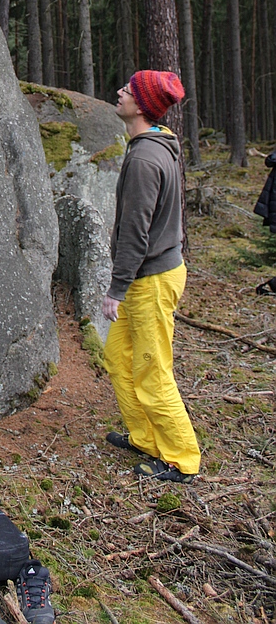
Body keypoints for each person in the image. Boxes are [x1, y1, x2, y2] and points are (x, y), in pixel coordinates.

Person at [102, 69, 201, 483]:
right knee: (117, 357)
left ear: (141, 106)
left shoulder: (145, 158)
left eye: (128, 89)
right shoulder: (153, 144)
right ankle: (145, 437)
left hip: (149, 280)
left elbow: (135, 233)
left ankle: (180, 458)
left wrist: (116, 289)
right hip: (155, 273)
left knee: (151, 369)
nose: (120, 92)